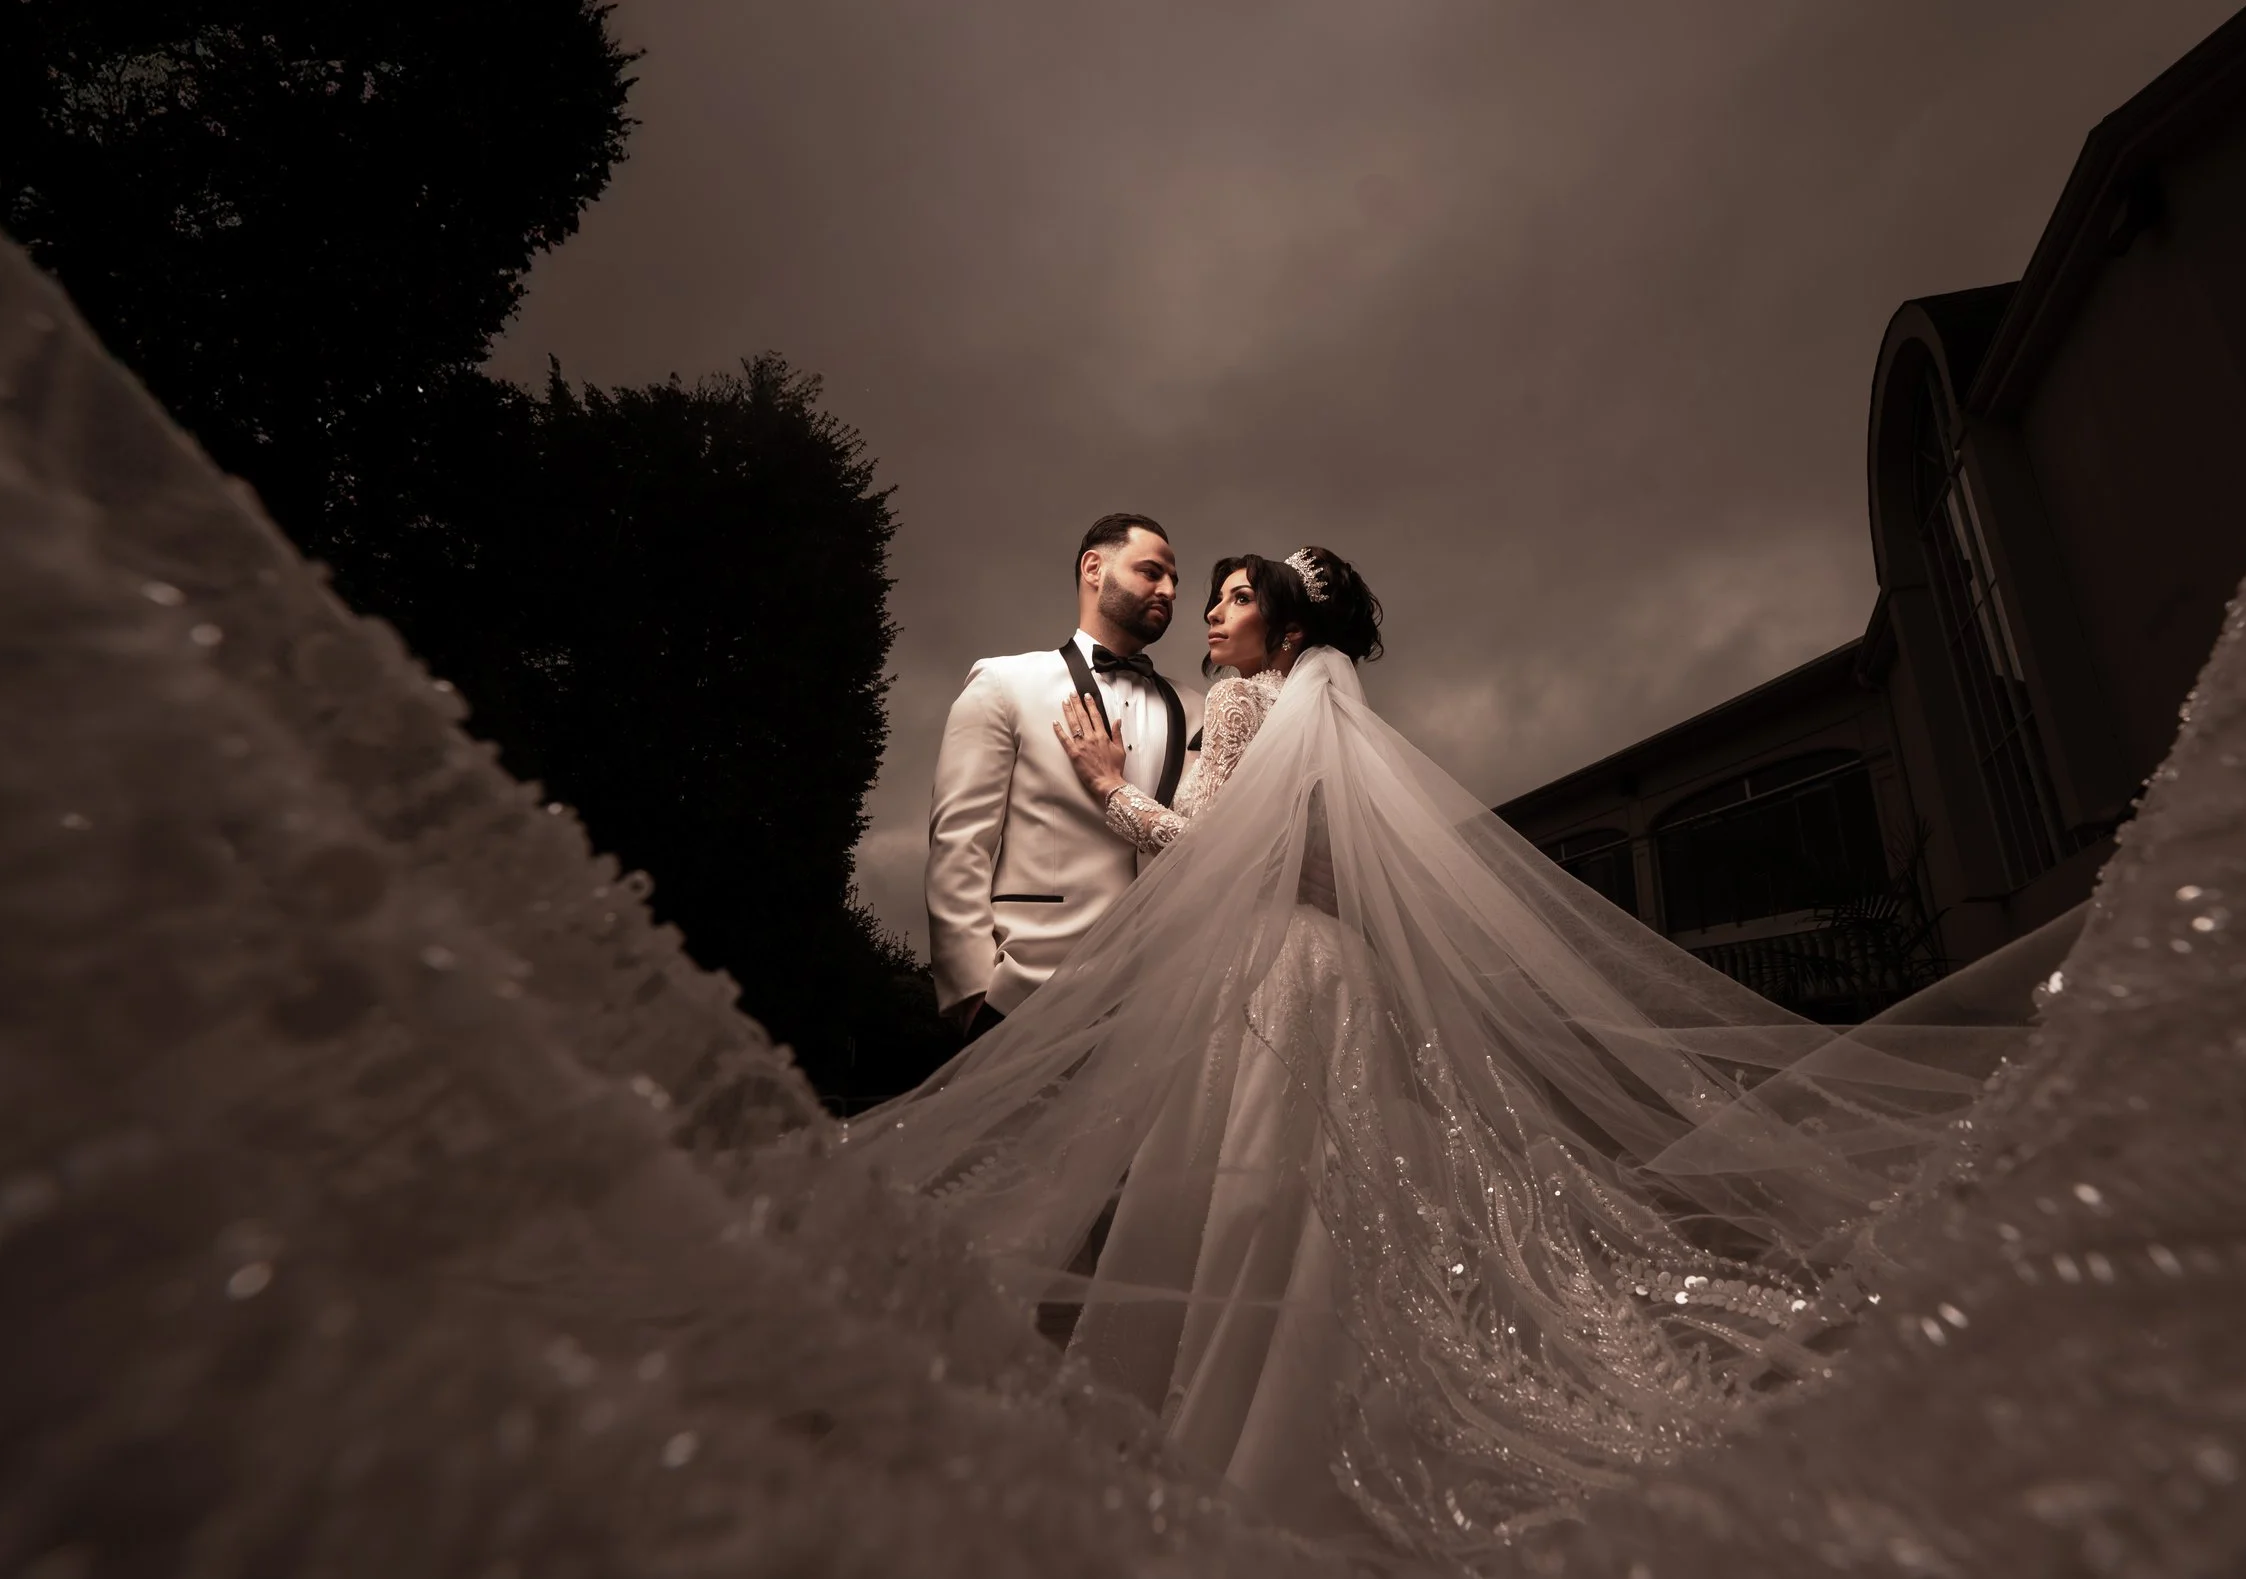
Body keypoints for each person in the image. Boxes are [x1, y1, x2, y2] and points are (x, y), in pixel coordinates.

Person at [850, 545, 2028, 1557]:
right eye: (1202, 592)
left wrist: (1112, 789)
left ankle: (1230, 1441)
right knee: (1317, 1201)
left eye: (1233, 595)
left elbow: (1207, 849)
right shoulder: (1332, 719)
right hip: (1333, 971)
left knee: (1244, 1196)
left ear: (1286, 625)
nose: (1211, 612)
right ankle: (1306, 1419)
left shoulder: (1250, 704)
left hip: (1262, 969)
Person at [923, 513, 1204, 1042]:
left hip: (1162, 1006)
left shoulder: (1198, 708)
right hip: (1025, 993)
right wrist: (971, 994)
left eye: (1174, 582)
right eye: (1151, 572)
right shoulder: (1003, 683)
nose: (1168, 589)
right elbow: (959, 842)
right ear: (1093, 568)